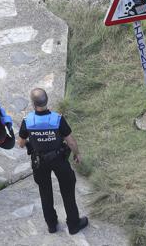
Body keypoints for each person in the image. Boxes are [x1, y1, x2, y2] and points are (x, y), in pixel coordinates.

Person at [18, 88, 88, 235]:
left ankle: (51, 225)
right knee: (68, 190)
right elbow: (71, 142)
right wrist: (77, 154)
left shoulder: (28, 121)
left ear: (33, 103)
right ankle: (73, 224)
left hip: (39, 162)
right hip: (59, 160)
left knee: (45, 192)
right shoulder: (57, 119)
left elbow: (21, 143)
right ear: (47, 100)